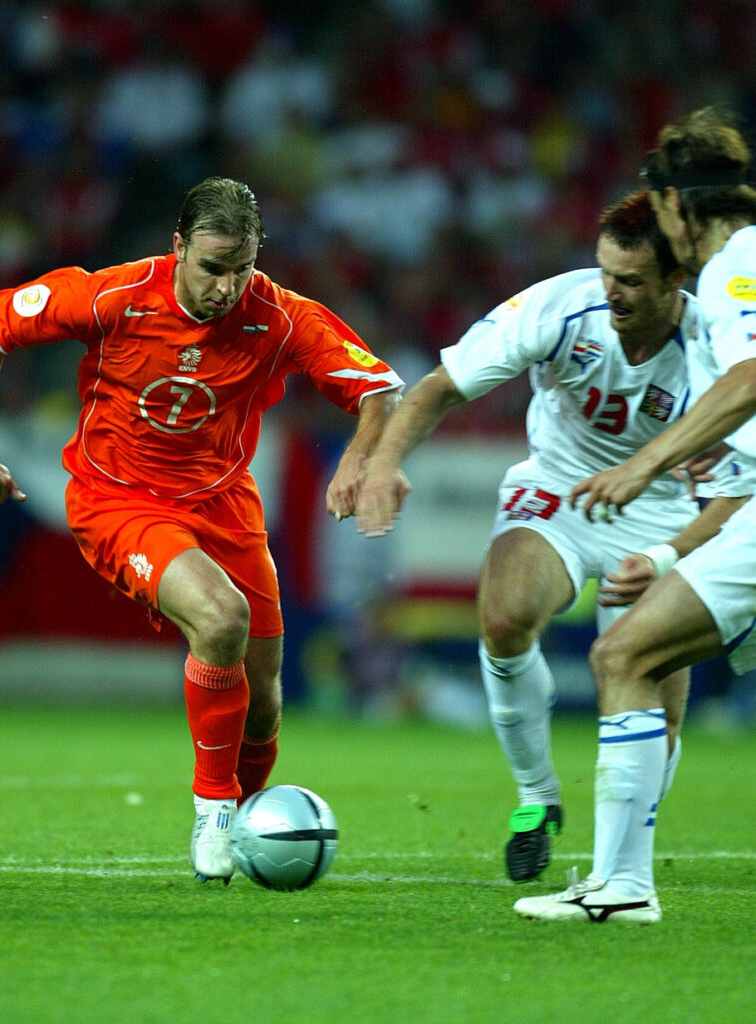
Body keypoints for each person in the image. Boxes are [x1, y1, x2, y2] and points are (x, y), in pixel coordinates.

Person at [0, 176, 403, 883]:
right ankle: (213, 814)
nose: (226, 287)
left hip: (225, 506)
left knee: (264, 696)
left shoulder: (279, 317)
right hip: (117, 499)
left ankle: (250, 822)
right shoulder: (113, 294)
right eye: (211, 267)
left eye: (241, 268)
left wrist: (359, 460)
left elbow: (379, 389)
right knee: (221, 620)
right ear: (178, 248)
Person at [355, 190, 751, 885]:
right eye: (606, 273)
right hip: (558, 492)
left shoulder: (717, 349)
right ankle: (537, 798)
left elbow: (735, 493)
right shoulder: (560, 307)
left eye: (630, 281)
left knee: (652, 699)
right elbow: (435, 389)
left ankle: (615, 866)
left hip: (665, 517)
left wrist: (670, 552)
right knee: (503, 619)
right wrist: (385, 464)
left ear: (673, 281)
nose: (612, 292)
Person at [514, 107, 756, 923]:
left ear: (681, 206)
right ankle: (619, 885)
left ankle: (622, 889)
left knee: (623, 656)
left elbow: (750, 380)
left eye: (659, 214)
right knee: (630, 656)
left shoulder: (734, 268)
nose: (662, 234)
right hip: (745, 509)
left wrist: (643, 461)